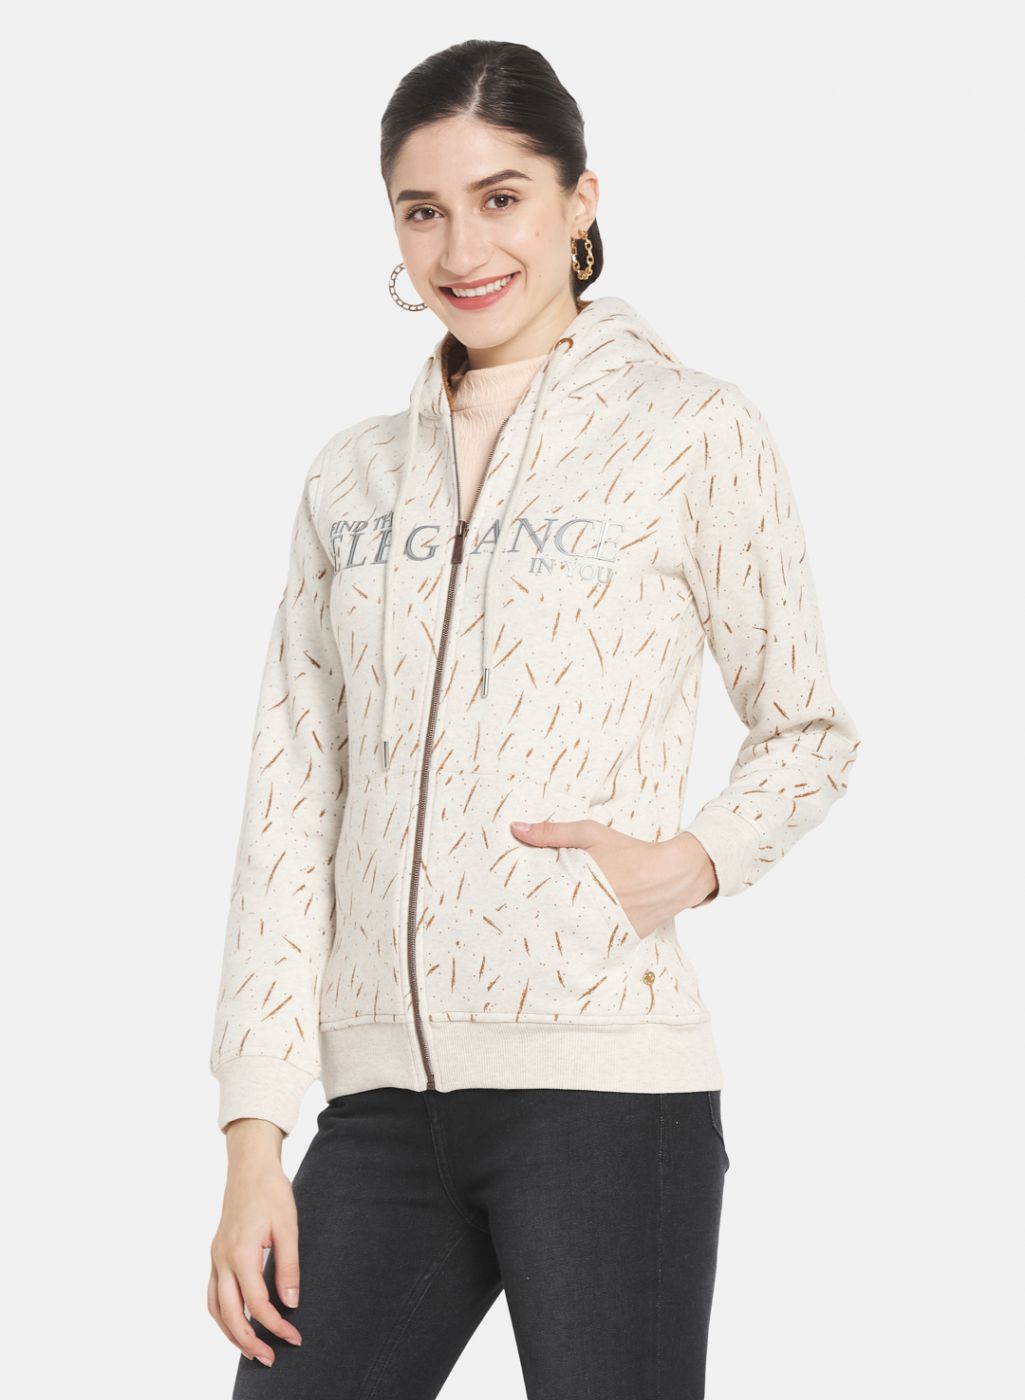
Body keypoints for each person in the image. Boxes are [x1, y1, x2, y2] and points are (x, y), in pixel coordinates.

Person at [207, 38, 861, 1400]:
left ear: (580, 201)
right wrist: (255, 1135)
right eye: (422, 209)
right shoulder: (350, 478)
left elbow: (807, 727)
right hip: (377, 1112)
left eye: (501, 198)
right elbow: (292, 804)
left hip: (607, 1094)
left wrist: (692, 861)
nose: (462, 249)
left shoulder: (692, 430)